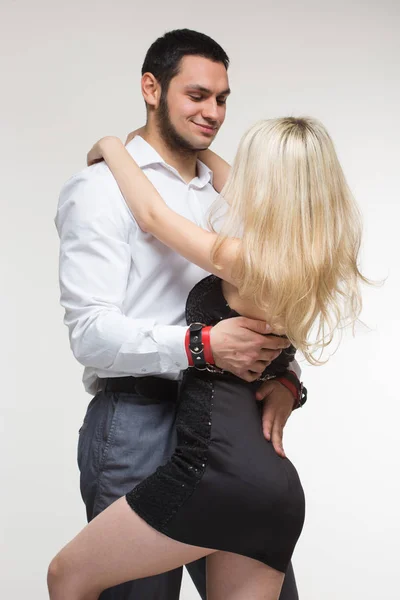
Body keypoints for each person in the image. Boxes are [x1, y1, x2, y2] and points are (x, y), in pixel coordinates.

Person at [48, 113, 368, 599]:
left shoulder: (243, 258)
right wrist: (287, 383)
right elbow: (278, 355)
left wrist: (113, 145)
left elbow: (154, 217)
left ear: (266, 182)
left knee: (67, 577)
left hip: (214, 471)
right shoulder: (306, 260)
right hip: (272, 483)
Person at [53, 29, 306, 600]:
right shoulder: (99, 192)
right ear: (151, 87)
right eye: (197, 95)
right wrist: (205, 346)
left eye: (222, 99)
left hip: (231, 425)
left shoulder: (233, 198)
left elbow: (269, 305)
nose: (213, 112)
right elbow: (90, 334)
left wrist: (287, 379)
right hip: (139, 422)